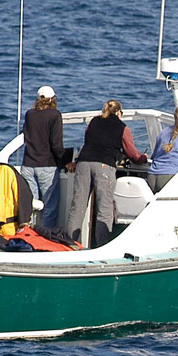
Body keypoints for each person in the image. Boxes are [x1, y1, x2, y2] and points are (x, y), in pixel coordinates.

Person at [66, 99, 148, 247]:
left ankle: (70, 243)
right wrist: (143, 158)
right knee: (104, 208)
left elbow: (88, 142)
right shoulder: (122, 128)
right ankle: (101, 246)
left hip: (83, 163)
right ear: (118, 113)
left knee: (78, 206)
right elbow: (132, 153)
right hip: (104, 166)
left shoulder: (94, 122)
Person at [20, 85, 70, 228]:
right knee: (50, 207)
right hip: (47, 166)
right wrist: (66, 161)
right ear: (53, 99)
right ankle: (46, 238)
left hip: (28, 165)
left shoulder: (30, 114)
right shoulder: (55, 115)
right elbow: (56, 144)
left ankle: (28, 235)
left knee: (32, 205)